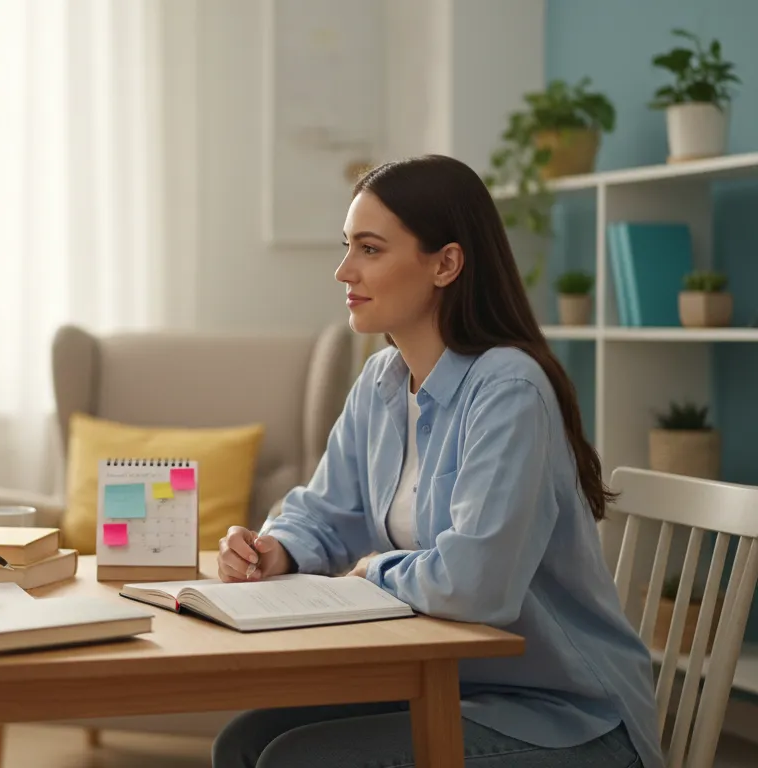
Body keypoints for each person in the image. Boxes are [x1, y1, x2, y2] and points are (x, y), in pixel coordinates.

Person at [212, 155, 663, 768]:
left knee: (295, 760)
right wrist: (278, 549)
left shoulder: (508, 390)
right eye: (348, 247)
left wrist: (373, 572)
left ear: (446, 263)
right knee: (242, 742)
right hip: (453, 690)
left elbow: (475, 583)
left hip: (571, 718)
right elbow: (327, 511)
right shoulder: (382, 381)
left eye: (370, 249)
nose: (344, 270)